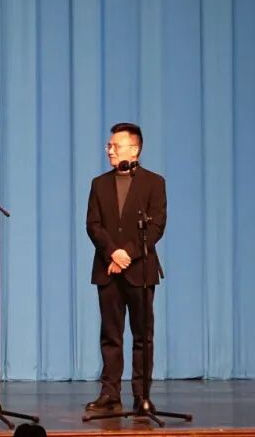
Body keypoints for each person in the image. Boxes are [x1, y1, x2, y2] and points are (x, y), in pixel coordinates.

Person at [85, 122, 167, 415]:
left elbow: (156, 227)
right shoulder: (99, 184)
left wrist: (127, 255)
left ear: (134, 149)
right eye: (109, 145)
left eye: (115, 146)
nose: (110, 150)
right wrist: (113, 253)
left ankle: (142, 395)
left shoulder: (154, 183)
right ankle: (110, 393)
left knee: (143, 336)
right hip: (108, 269)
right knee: (110, 335)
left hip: (140, 271)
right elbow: (93, 225)